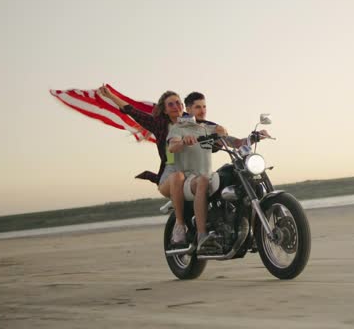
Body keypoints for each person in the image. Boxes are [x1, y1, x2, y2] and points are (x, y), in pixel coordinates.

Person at [169, 91, 268, 248]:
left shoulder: (211, 128)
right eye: (197, 107)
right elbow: (172, 146)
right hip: (188, 179)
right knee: (202, 180)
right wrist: (184, 142)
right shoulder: (179, 128)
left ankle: (252, 231)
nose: (202, 110)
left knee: (238, 176)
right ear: (188, 109)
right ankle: (202, 236)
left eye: (204, 106)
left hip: (208, 176)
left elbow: (235, 142)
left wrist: (253, 137)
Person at [96, 85, 194, 245]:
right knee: (178, 176)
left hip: (192, 173)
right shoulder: (159, 125)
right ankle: (179, 225)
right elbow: (132, 111)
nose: (176, 106)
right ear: (164, 110)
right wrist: (111, 96)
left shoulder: (193, 124)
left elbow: (212, 131)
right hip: (169, 176)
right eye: (171, 104)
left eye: (178, 103)